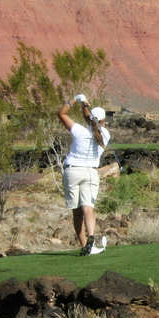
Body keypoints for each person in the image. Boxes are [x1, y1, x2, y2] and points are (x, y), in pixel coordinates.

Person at [57, 94, 110, 255]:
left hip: (72, 171)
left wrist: (76, 100)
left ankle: (84, 245)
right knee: (88, 207)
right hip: (91, 173)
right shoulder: (105, 135)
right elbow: (90, 120)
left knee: (76, 211)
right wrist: (86, 107)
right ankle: (92, 237)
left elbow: (62, 113)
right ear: (104, 121)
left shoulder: (79, 131)